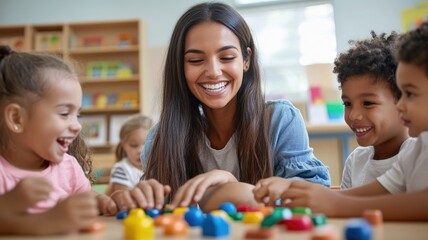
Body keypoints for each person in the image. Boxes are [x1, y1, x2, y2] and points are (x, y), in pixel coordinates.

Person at [112, 2, 330, 212]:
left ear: (246, 59)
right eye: (196, 60)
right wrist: (128, 198)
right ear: (180, 67)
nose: (214, 71)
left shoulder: (279, 119)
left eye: (226, 57)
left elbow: (315, 198)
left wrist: (235, 188)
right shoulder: (159, 139)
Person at [253, 21, 428, 221]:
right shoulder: (417, 151)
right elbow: (355, 196)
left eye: (410, 94)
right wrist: (293, 189)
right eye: (347, 103)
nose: (401, 104)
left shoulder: (414, 148)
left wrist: (336, 204)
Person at [0, 45, 117, 235]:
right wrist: (38, 220)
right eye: (64, 113)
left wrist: (102, 202)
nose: (77, 126)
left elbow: (86, 198)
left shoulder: (68, 166)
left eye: (77, 114)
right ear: (16, 118)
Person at [334, 31, 416, 189]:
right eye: (347, 103)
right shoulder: (356, 161)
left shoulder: (418, 153)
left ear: (403, 101)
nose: (354, 115)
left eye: (368, 103)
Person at [105, 114, 152, 196]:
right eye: (134, 145)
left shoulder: (157, 168)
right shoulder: (121, 169)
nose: (140, 151)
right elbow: (125, 201)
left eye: (147, 145)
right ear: (123, 146)